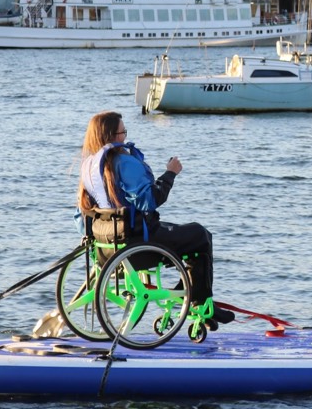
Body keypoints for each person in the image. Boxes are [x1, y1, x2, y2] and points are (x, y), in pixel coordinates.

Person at [77, 111, 234, 328]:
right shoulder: (123, 163)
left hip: (107, 247)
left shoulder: (89, 167)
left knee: (191, 236)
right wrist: (170, 173)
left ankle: (192, 292)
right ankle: (198, 301)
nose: (125, 136)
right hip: (138, 245)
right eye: (123, 132)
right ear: (112, 135)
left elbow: (81, 215)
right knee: (200, 235)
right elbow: (150, 199)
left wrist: (95, 239)